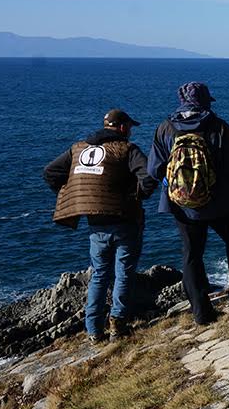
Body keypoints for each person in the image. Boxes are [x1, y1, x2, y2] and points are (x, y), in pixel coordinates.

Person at [43, 109, 157, 343]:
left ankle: (93, 329)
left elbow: (51, 172)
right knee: (124, 273)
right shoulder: (127, 149)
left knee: (99, 275)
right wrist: (139, 196)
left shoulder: (79, 148)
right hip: (125, 220)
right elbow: (148, 177)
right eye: (130, 127)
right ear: (123, 128)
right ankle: (118, 323)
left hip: (96, 224)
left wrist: (70, 193)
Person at [147, 82, 229, 324]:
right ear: (205, 101)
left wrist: (175, 185)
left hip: (184, 206)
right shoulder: (218, 126)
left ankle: (201, 313)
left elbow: (154, 169)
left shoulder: (165, 128)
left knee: (192, 255)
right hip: (222, 202)